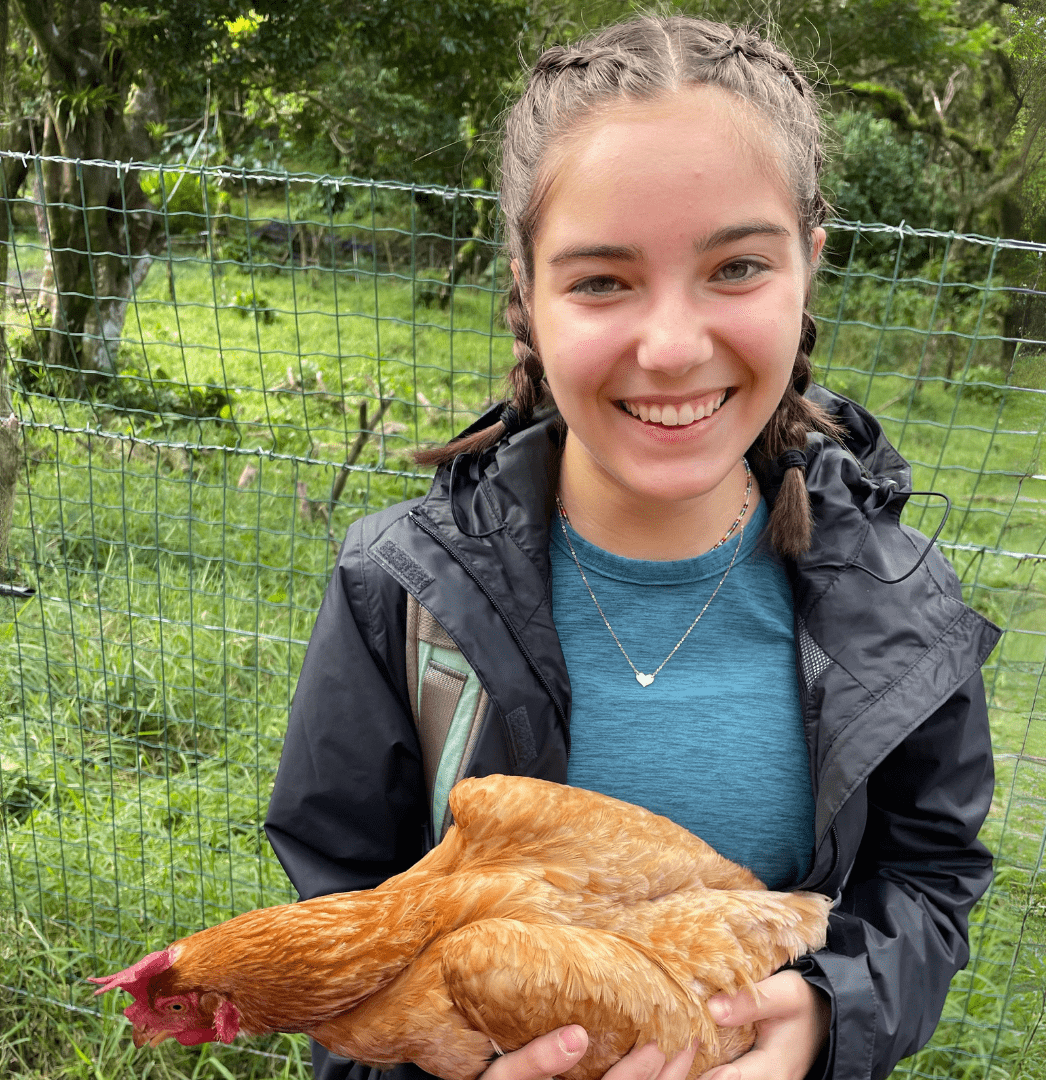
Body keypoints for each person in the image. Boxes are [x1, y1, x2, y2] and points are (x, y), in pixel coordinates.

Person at [264, 15, 999, 1080]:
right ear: (524, 293)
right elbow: (340, 932)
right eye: (603, 281)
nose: (670, 347)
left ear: (810, 269)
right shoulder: (401, 595)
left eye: (737, 266)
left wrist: (826, 1020)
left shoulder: (897, 603)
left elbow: (927, 882)